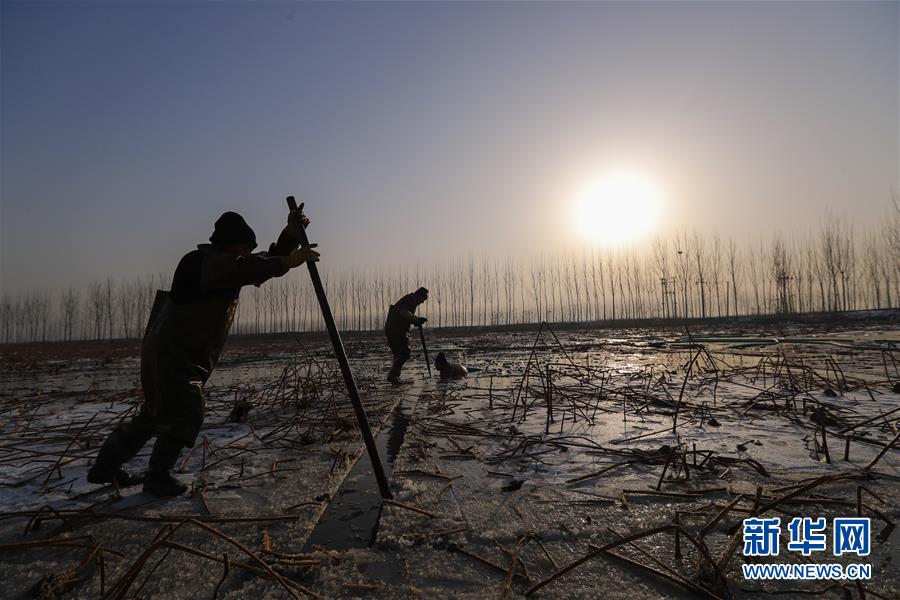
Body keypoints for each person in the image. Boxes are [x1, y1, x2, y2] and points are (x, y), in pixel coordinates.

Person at [87, 206, 320, 497]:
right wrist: (288, 260)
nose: (249, 254)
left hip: (175, 355)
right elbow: (248, 267)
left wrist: (289, 237)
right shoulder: (203, 262)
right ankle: (157, 476)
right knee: (185, 411)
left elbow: (260, 263)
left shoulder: (226, 265)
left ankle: (105, 468)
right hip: (173, 356)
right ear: (231, 244)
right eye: (245, 248)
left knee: (154, 414)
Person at [384, 287, 428, 385]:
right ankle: (393, 376)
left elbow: (405, 315)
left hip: (391, 328)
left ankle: (394, 377)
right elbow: (403, 313)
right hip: (396, 329)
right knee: (404, 352)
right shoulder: (411, 299)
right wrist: (416, 320)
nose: (422, 302)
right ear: (419, 296)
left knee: (398, 353)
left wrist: (415, 321)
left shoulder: (410, 299)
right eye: (423, 299)